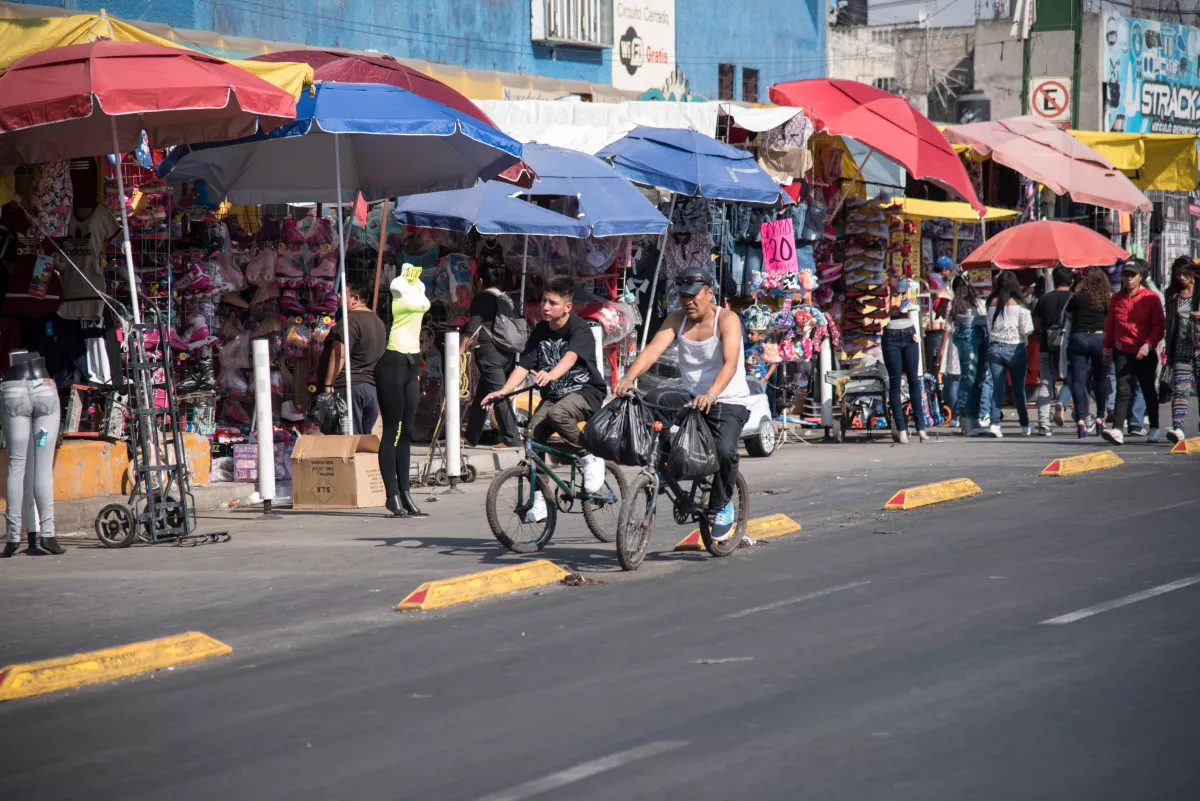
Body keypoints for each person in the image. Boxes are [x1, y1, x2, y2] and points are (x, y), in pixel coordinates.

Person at [615, 266, 751, 542]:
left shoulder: (727, 320)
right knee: (652, 402)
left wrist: (711, 394)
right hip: (693, 397)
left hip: (727, 400)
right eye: (682, 296)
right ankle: (664, 464)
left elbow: (731, 363)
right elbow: (653, 350)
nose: (687, 302)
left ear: (709, 293)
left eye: (693, 296)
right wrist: (628, 377)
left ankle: (723, 505)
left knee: (725, 451)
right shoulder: (676, 319)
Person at [483, 276, 608, 521]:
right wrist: (503, 392)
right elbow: (523, 366)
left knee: (557, 414)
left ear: (568, 307)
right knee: (533, 436)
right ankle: (540, 501)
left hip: (585, 393)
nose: (545, 307)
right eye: (544, 301)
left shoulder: (579, 328)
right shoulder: (540, 330)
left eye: (552, 303)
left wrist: (550, 374)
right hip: (554, 397)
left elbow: (570, 358)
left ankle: (588, 455)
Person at [1101, 258, 1165, 445]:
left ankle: (1154, 427)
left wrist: (1148, 346)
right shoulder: (1116, 298)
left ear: (1140, 277)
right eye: (1125, 275)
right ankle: (1118, 429)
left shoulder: (1151, 298)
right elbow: (1111, 325)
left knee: (1147, 390)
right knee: (1123, 390)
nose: (1128, 279)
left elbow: (1158, 326)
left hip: (1144, 351)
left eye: (1132, 275)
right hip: (1123, 350)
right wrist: (1106, 348)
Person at [463, 266, 522, 449]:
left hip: (490, 354)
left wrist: (459, 351)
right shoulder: (505, 298)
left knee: (498, 396)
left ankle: (512, 439)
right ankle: (471, 436)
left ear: (480, 281)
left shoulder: (481, 298)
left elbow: (472, 328)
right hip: (507, 353)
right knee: (484, 392)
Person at [322, 280, 386, 436]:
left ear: (355, 298)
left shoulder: (349, 321)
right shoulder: (378, 322)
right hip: (370, 390)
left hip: (350, 388)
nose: (337, 296)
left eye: (343, 293)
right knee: (362, 440)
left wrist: (328, 383)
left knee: (348, 441)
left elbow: (339, 354)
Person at [982, 270, 1034, 437]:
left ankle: (995, 424)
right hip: (1016, 349)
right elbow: (1027, 329)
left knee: (997, 388)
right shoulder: (1020, 305)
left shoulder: (990, 303)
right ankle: (1025, 424)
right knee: (1018, 389)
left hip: (995, 348)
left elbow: (989, 328)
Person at [1066, 266, 1113, 438]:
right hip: (1099, 339)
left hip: (1078, 338)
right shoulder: (1107, 298)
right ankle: (1100, 418)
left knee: (1078, 380)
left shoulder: (1077, 297)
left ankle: (1080, 420)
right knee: (1101, 378)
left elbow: (1068, 316)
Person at [881, 276, 927, 443]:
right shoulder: (883, 291)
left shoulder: (909, 288)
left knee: (914, 380)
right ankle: (901, 428)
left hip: (909, 333)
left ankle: (920, 426)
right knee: (895, 382)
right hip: (891, 335)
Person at [940, 275, 988, 436]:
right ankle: (967, 419)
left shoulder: (975, 304)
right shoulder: (961, 304)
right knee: (970, 379)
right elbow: (948, 325)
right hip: (968, 334)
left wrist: (941, 349)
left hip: (976, 333)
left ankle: (972, 418)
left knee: (975, 379)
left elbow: (948, 326)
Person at [1031, 267, 1074, 436]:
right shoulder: (1073, 299)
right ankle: (1066, 406)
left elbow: (1037, 324)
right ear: (1071, 282)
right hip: (1069, 347)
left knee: (1046, 383)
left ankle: (1043, 424)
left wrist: (1041, 339)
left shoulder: (1044, 299)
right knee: (1072, 378)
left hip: (1046, 346)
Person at [1163, 257, 1200, 443]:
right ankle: (1178, 428)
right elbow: (1170, 325)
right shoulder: (1173, 295)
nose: (1181, 278)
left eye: (1185, 273)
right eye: (1178, 274)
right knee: (1180, 389)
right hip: (1180, 349)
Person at [744, 327, 778, 419]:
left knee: (759, 400)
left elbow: (774, 363)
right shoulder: (744, 346)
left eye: (752, 334)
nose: (749, 336)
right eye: (748, 333)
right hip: (746, 379)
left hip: (760, 380)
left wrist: (766, 378)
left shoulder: (764, 347)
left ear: (761, 336)